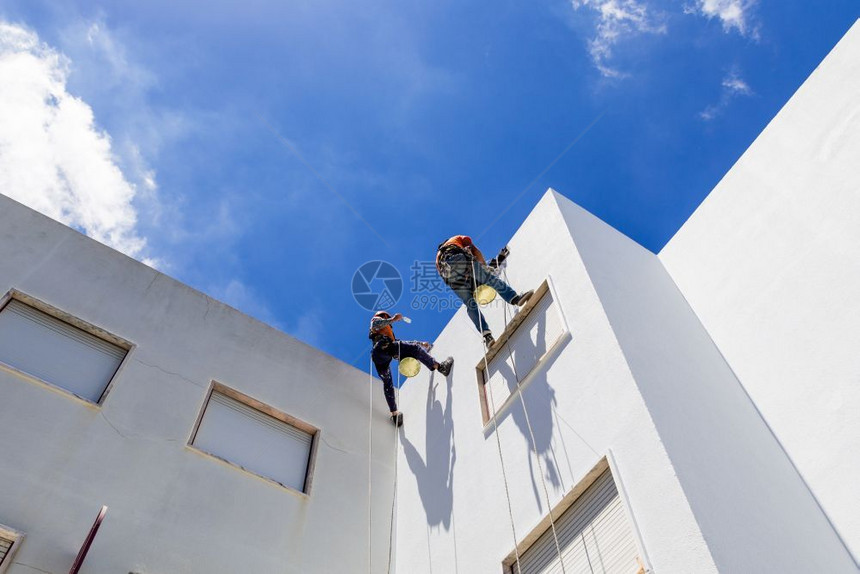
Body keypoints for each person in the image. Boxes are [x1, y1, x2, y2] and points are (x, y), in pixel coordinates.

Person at [436, 235, 534, 348]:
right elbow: (475, 251)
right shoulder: (457, 238)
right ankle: (515, 298)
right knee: (489, 279)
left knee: (469, 304)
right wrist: (483, 267)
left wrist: (464, 278)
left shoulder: (438, 258)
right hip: (461, 261)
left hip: (451, 278)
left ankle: (487, 336)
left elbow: (445, 277)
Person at [369, 310, 453, 426]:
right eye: (386, 318)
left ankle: (394, 414)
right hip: (383, 347)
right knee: (414, 350)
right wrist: (393, 319)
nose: (389, 324)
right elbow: (376, 324)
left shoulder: (389, 337)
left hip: (380, 357)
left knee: (388, 383)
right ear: (383, 316)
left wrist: (420, 343)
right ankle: (439, 367)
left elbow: (402, 343)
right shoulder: (375, 321)